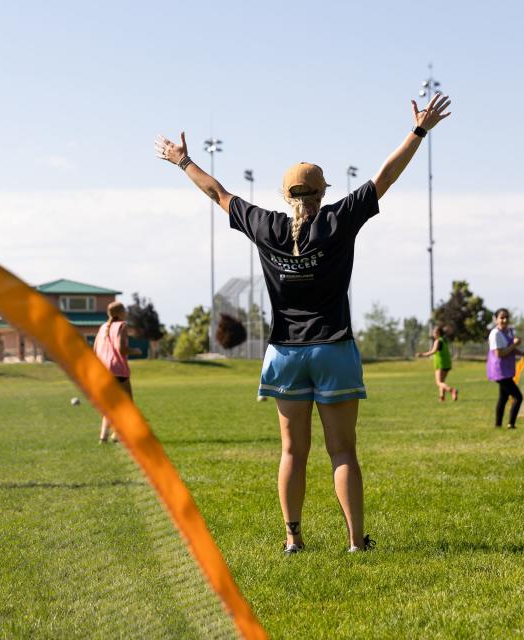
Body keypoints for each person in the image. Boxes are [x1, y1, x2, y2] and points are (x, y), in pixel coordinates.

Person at [156, 93, 452, 554]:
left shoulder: (266, 226)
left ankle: (293, 540)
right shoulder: (338, 220)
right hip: (333, 348)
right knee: (343, 452)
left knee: (293, 452)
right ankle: (356, 541)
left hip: (284, 353)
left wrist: (183, 160)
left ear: (284, 195)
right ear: (322, 192)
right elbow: (385, 177)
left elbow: (217, 192)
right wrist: (419, 131)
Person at [93, 301, 139, 444]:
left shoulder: (102, 327)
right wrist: (135, 351)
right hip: (117, 369)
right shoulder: (122, 325)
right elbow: (121, 349)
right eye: (124, 310)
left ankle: (104, 437)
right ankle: (117, 435)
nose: (126, 312)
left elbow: (94, 348)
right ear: (119, 313)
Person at [487, 308, 524, 429]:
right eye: (501, 318)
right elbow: (500, 354)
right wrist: (515, 344)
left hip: (507, 370)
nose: (504, 320)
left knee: (503, 398)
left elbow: (510, 348)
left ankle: (498, 425)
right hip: (499, 371)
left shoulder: (508, 331)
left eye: (506, 317)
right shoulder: (495, 334)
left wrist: (521, 353)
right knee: (518, 397)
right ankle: (511, 424)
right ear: (496, 319)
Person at [415, 325, 458, 402]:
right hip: (447, 363)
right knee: (442, 381)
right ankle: (442, 397)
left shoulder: (437, 341)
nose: (433, 334)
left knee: (438, 382)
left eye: (434, 332)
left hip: (440, 363)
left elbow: (433, 351)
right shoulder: (444, 340)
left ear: (438, 333)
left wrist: (421, 354)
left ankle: (452, 390)